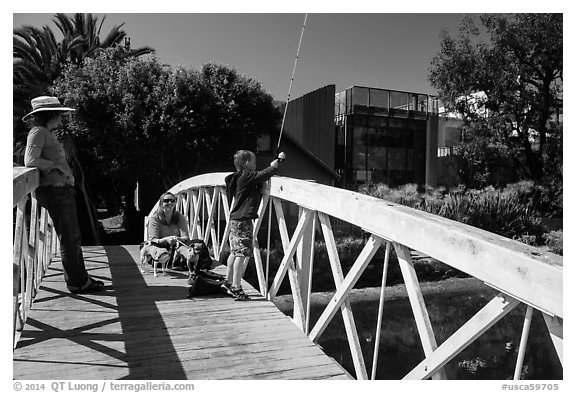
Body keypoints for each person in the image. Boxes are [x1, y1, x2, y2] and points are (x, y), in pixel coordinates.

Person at [23, 96, 105, 294]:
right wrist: (56, 168)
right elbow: (30, 160)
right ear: (50, 114)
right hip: (55, 191)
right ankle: (77, 282)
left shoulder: (45, 132)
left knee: (73, 236)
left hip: (61, 190)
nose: (62, 116)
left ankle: (81, 278)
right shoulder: (38, 132)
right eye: (59, 113)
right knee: (69, 237)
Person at [223, 150, 285, 300]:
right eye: (254, 161)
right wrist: (275, 165)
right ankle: (236, 287)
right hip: (243, 220)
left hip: (236, 219)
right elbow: (263, 175)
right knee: (241, 253)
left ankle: (228, 280)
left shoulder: (238, 177)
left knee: (234, 251)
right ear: (246, 163)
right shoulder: (246, 176)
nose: (256, 164)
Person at [144, 192, 218, 280]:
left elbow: (186, 237)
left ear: (175, 203)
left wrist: (177, 239)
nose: (170, 203)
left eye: (172, 201)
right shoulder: (155, 218)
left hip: (177, 244)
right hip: (161, 245)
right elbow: (153, 239)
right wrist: (166, 239)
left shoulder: (180, 217)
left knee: (199, 242)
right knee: (159, 250)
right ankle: (181, 264)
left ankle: (198, 265)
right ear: (161, 203)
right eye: (166, 201)